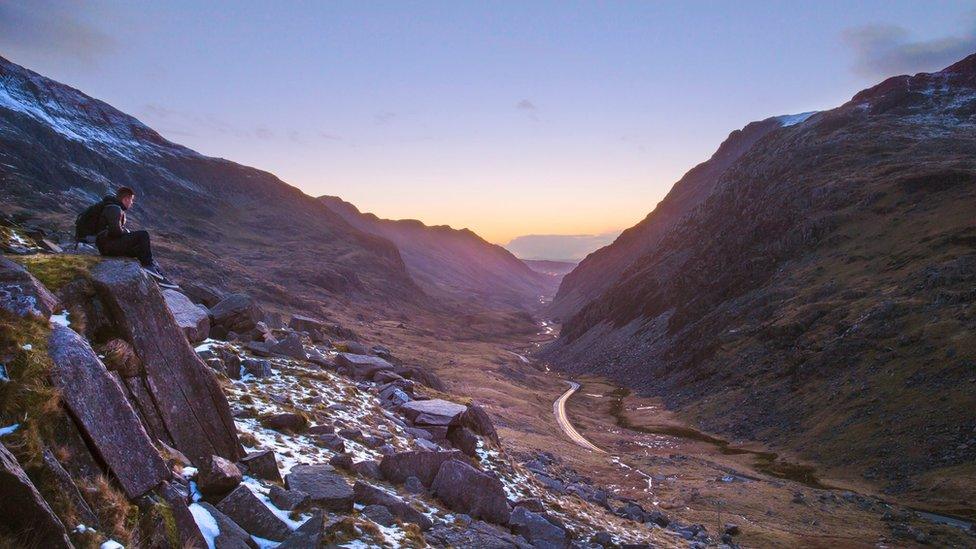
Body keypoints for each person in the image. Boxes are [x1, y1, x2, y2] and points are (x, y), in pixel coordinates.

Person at [92, 187, 176, 288]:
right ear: (126, 199)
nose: (132, 203)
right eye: (131, 200)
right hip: (108, 246)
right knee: (143, 235)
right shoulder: (114, 208)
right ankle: (148, 266)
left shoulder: (114, 208)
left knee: (140, 250)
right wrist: (126, 232)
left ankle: (159, 278)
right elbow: (115, 232)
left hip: (108, 246)